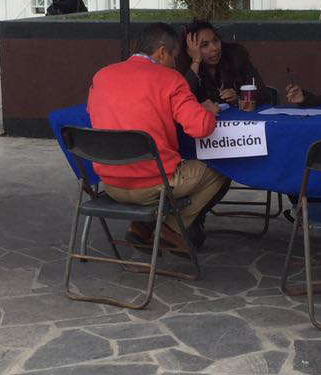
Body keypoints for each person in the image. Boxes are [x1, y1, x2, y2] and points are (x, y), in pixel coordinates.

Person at [88, 22, 229, 249]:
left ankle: (141, 227)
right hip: (155, 184)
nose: (174, 64)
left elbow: (94, 113)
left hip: (111, 184)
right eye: (174, 57)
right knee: (220, 169)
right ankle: (171, 229)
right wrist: (208, 112)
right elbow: (201, 128)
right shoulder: (170, 79)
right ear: (162, 52)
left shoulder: (101, 76)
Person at [178, 19, 265, 105]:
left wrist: (239, 98)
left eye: (216, 40)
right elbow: (182, 99)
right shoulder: (184, 69)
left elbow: (262, 93)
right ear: (190, 51)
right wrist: (196, 61)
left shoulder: (235, 55)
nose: (214, 48)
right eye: (205, 45)